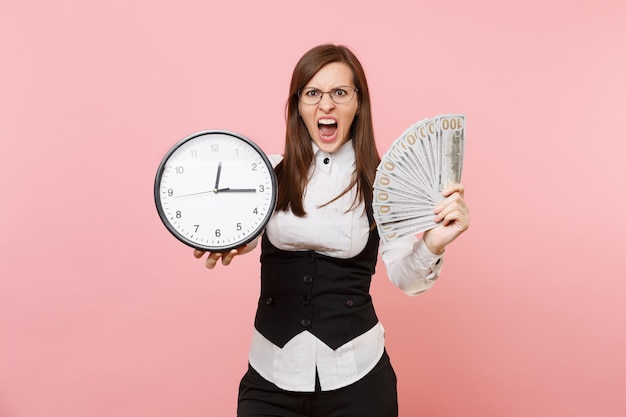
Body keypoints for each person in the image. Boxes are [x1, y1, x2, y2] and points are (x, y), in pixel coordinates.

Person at [193, 44, 470, 417]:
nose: (326, 105)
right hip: (270, 374)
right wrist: (229, 241)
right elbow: (241, 229)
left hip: (359, 379)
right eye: (312, 93)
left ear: (359, 103)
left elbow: (407, 279)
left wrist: (433, 244)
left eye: (340, 93)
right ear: (298, 105)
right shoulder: (268, 173)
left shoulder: (384, 183)